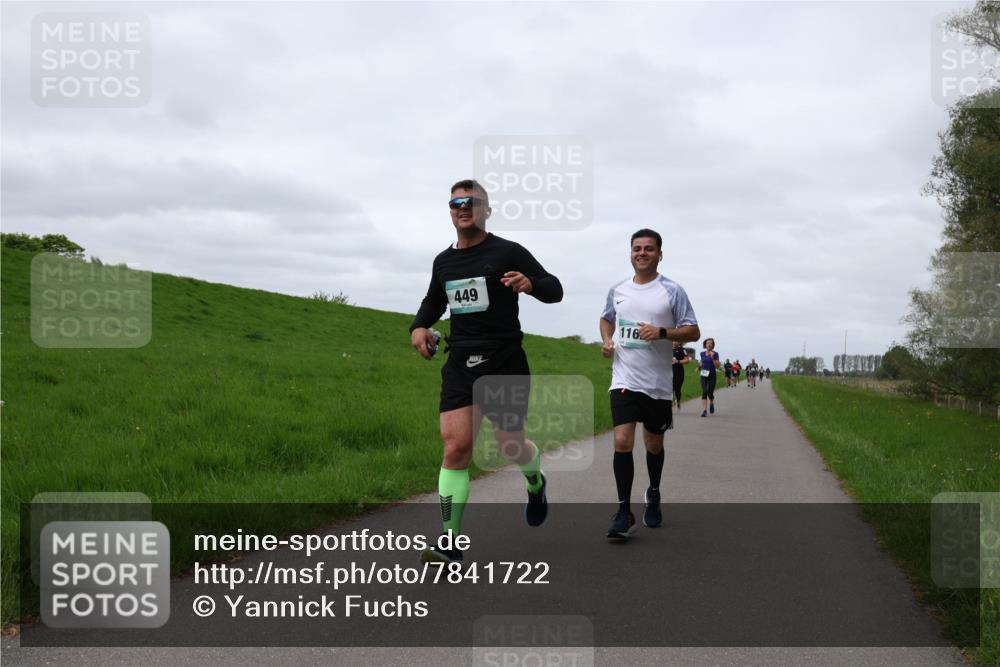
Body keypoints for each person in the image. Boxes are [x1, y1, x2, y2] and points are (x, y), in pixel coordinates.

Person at [410, 179, 563, 565]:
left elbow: (554, 288)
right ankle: (449, 541)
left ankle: (535, 480)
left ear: (486, 210)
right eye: (456, 202)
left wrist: (530, 284)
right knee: (455, 446)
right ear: (450, 210)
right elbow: (433, 300)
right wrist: (418, 327)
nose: (464, 207)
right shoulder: (443, 262)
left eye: (472, 202)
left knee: (511, 445)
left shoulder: (508, 251)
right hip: (461, 362)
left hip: (504, 361)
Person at [599, 229, 700, 540]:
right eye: (637, 248)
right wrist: (606, 340)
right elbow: (607, 318)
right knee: (622, 441)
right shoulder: (617, 289)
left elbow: (693, 331)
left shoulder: (672, 290)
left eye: (648, 249)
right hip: (624, 378)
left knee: (653, 444)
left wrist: (662, 333)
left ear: (659, 254)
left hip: (656, 383)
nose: (642, 253)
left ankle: (653, 492)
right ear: (630, 253)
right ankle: (623, 511)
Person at [699, 338, 721, 417]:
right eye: (707, 343)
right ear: (705, 345)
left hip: (712, 374)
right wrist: (698, 368)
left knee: (710, 393)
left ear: (713, 345)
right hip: (704, 374)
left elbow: (718, 366)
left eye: (711, 343)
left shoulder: (715, 354)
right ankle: (704, 410)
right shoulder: (702, 353)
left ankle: (711, 402)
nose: (709, 344)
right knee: (704, 391)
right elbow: (702, 362)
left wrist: (713, 358)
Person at [671, 341, 690, 410]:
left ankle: (678, 401)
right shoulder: (667, 349)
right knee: (670, 389)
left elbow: (687, 360)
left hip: (679, 373)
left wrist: (678, 361)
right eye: (673, 340)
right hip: (669, 372)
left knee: (677, 389)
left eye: (676, 340)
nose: (674, 342)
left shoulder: (682, 350)